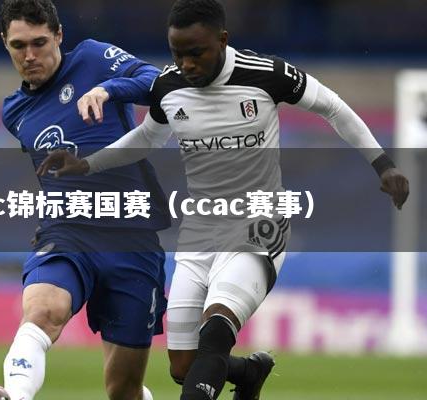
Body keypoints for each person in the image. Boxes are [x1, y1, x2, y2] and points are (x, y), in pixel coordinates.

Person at [37, 0, 410, 399]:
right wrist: (86, 164)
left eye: (196, 53)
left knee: (216, 330)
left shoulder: (266, 74)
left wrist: (383, 164)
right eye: (178, 54)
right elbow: (147, 139)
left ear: (223, 40)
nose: (187, 64)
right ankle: (248, 373)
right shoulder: (169, 86)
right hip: (200, 229)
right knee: (183, 366)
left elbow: (333, 108)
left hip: (258, 224)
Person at [0, 1, 172, 399]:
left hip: (131, 238)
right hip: (67, 232)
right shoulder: (14, 112)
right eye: (19, 46)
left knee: (123, 390)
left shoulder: (93, 59)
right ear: (4, 43)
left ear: (59, 36)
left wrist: (107, 89)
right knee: (42, 311)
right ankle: (15, 395)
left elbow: (156, 81)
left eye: (39, 43)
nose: (29, 55)